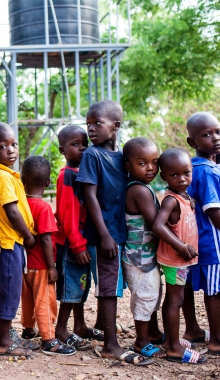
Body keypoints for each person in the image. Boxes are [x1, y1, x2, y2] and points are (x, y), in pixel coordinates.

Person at [77, 100, 149, 365]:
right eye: (88, 124)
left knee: (116, 286)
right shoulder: (92, 155)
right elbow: (90, 196)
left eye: (97, 123)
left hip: (121, 233)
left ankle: (120, 334)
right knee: (107, 288)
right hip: (104, 235)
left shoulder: (122, 157)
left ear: (116, 126)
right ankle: (111, 345)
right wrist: (105, 234)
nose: (91, 129)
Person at [0, 122, 36, 357]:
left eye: (14, 144)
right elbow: (12, 211)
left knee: (11, 291)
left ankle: (4, 336)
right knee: (7, 292)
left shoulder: (5, 174)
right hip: (7, 243)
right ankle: (3, 342)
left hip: (11, 242)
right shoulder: (1, 177)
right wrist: (28, 235)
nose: (11, 149)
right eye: (3, 146)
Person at [152, 148, 206, 364]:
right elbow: (157, 225)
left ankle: (170, 340)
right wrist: (181, 247)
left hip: (181, 260)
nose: (182, 179)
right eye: (174, 175)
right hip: (176, 260)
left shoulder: (183, 197)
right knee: (175, 300)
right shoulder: (170, 200)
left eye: (186, 173)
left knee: (175, 299)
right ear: (163, 176)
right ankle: (174, 348)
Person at [20, 155, 76, 356]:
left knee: (27, 299)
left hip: (24, 264)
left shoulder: (20, 205)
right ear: (48, 183)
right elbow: (45, 239)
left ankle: (28, 330)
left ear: (21, 179)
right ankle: (49, 339)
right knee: (44, 301)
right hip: (42, 265)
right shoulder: (43, 208)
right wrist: (52, 266)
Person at [121, 137, 165, 359]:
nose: (150, 168)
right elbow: (156, 223)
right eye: (142, 163)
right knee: (145, 296)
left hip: (146, 256)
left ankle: (154, 332)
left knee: (153, 294)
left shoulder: (144, 187)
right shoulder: (138, 190)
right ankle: (141, 341)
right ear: (128, 166)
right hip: (139, 257)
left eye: (154, 162)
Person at [54, 125, 96, 350]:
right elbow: (68, 213)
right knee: (71, 287)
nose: (81, 149)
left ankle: (79, 325)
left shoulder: (80, 173)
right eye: (75, 145)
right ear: (63, 150)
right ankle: (61, 329)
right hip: (71, 243)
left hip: (80, 240)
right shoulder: (68, 175)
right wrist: (77, 245)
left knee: (81, 284)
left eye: (84, 144)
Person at [186, 112, 220, 356]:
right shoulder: (208, 171)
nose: (215, 138)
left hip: (197, 239)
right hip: (212, 242)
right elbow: (214, 211)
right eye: (207, 135)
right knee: (215, 291)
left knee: (192, 287)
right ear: (193, 142)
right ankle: (216, 340)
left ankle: (193, 330)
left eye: (217, 132)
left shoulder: (192, 167)